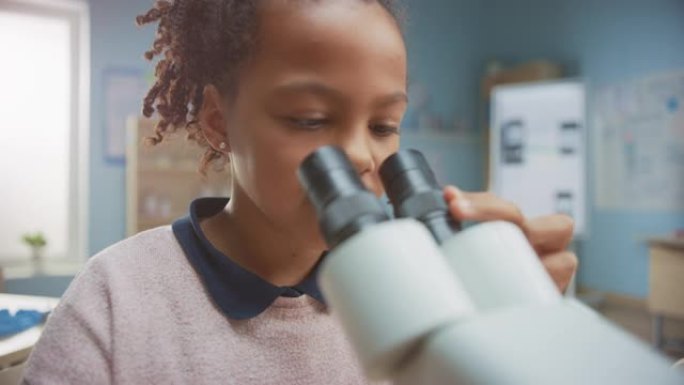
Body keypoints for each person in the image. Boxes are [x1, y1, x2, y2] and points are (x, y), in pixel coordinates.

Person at [22, 0, 577, 384]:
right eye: (310, 119)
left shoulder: (427, 289)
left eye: (384, 127)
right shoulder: (116, 299)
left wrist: (528, 340)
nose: (361, 156)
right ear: (219, 121)